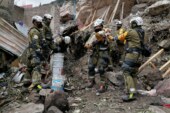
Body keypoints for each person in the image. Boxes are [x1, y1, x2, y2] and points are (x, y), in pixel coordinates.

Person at [113, 17, 144, 101]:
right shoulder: (142, 32)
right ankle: (134, 91)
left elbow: (120, 37)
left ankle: (130, 94)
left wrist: (112, 37)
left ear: (134, 23)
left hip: (131, 56)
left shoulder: (131, 31)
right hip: (139, 56)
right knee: (133, 73)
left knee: (126, 71)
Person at [85, 19, 111, 94]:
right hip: (95, 53)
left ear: (102, 26)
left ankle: (103, 86)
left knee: (101, 69)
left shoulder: (106, 32)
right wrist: (90, 45)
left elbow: (108, 41)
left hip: (103, 53)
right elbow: (87, 44)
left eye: (99, 26)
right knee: (90, 67)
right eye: (96, 27)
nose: (97, 28)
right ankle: (91, 81)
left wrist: (103, 38)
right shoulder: (93, 34)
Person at [27, 15, 43, 92]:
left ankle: (29, 84)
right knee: (37, 68)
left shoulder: (33, 30)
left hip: (31, 52)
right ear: (34, 22)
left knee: (31, 68)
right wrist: (39, 52)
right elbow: (35, 43)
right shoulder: (35, 31)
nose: (40, 24)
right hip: (34, 52)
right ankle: (37, 88)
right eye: (38, 22)